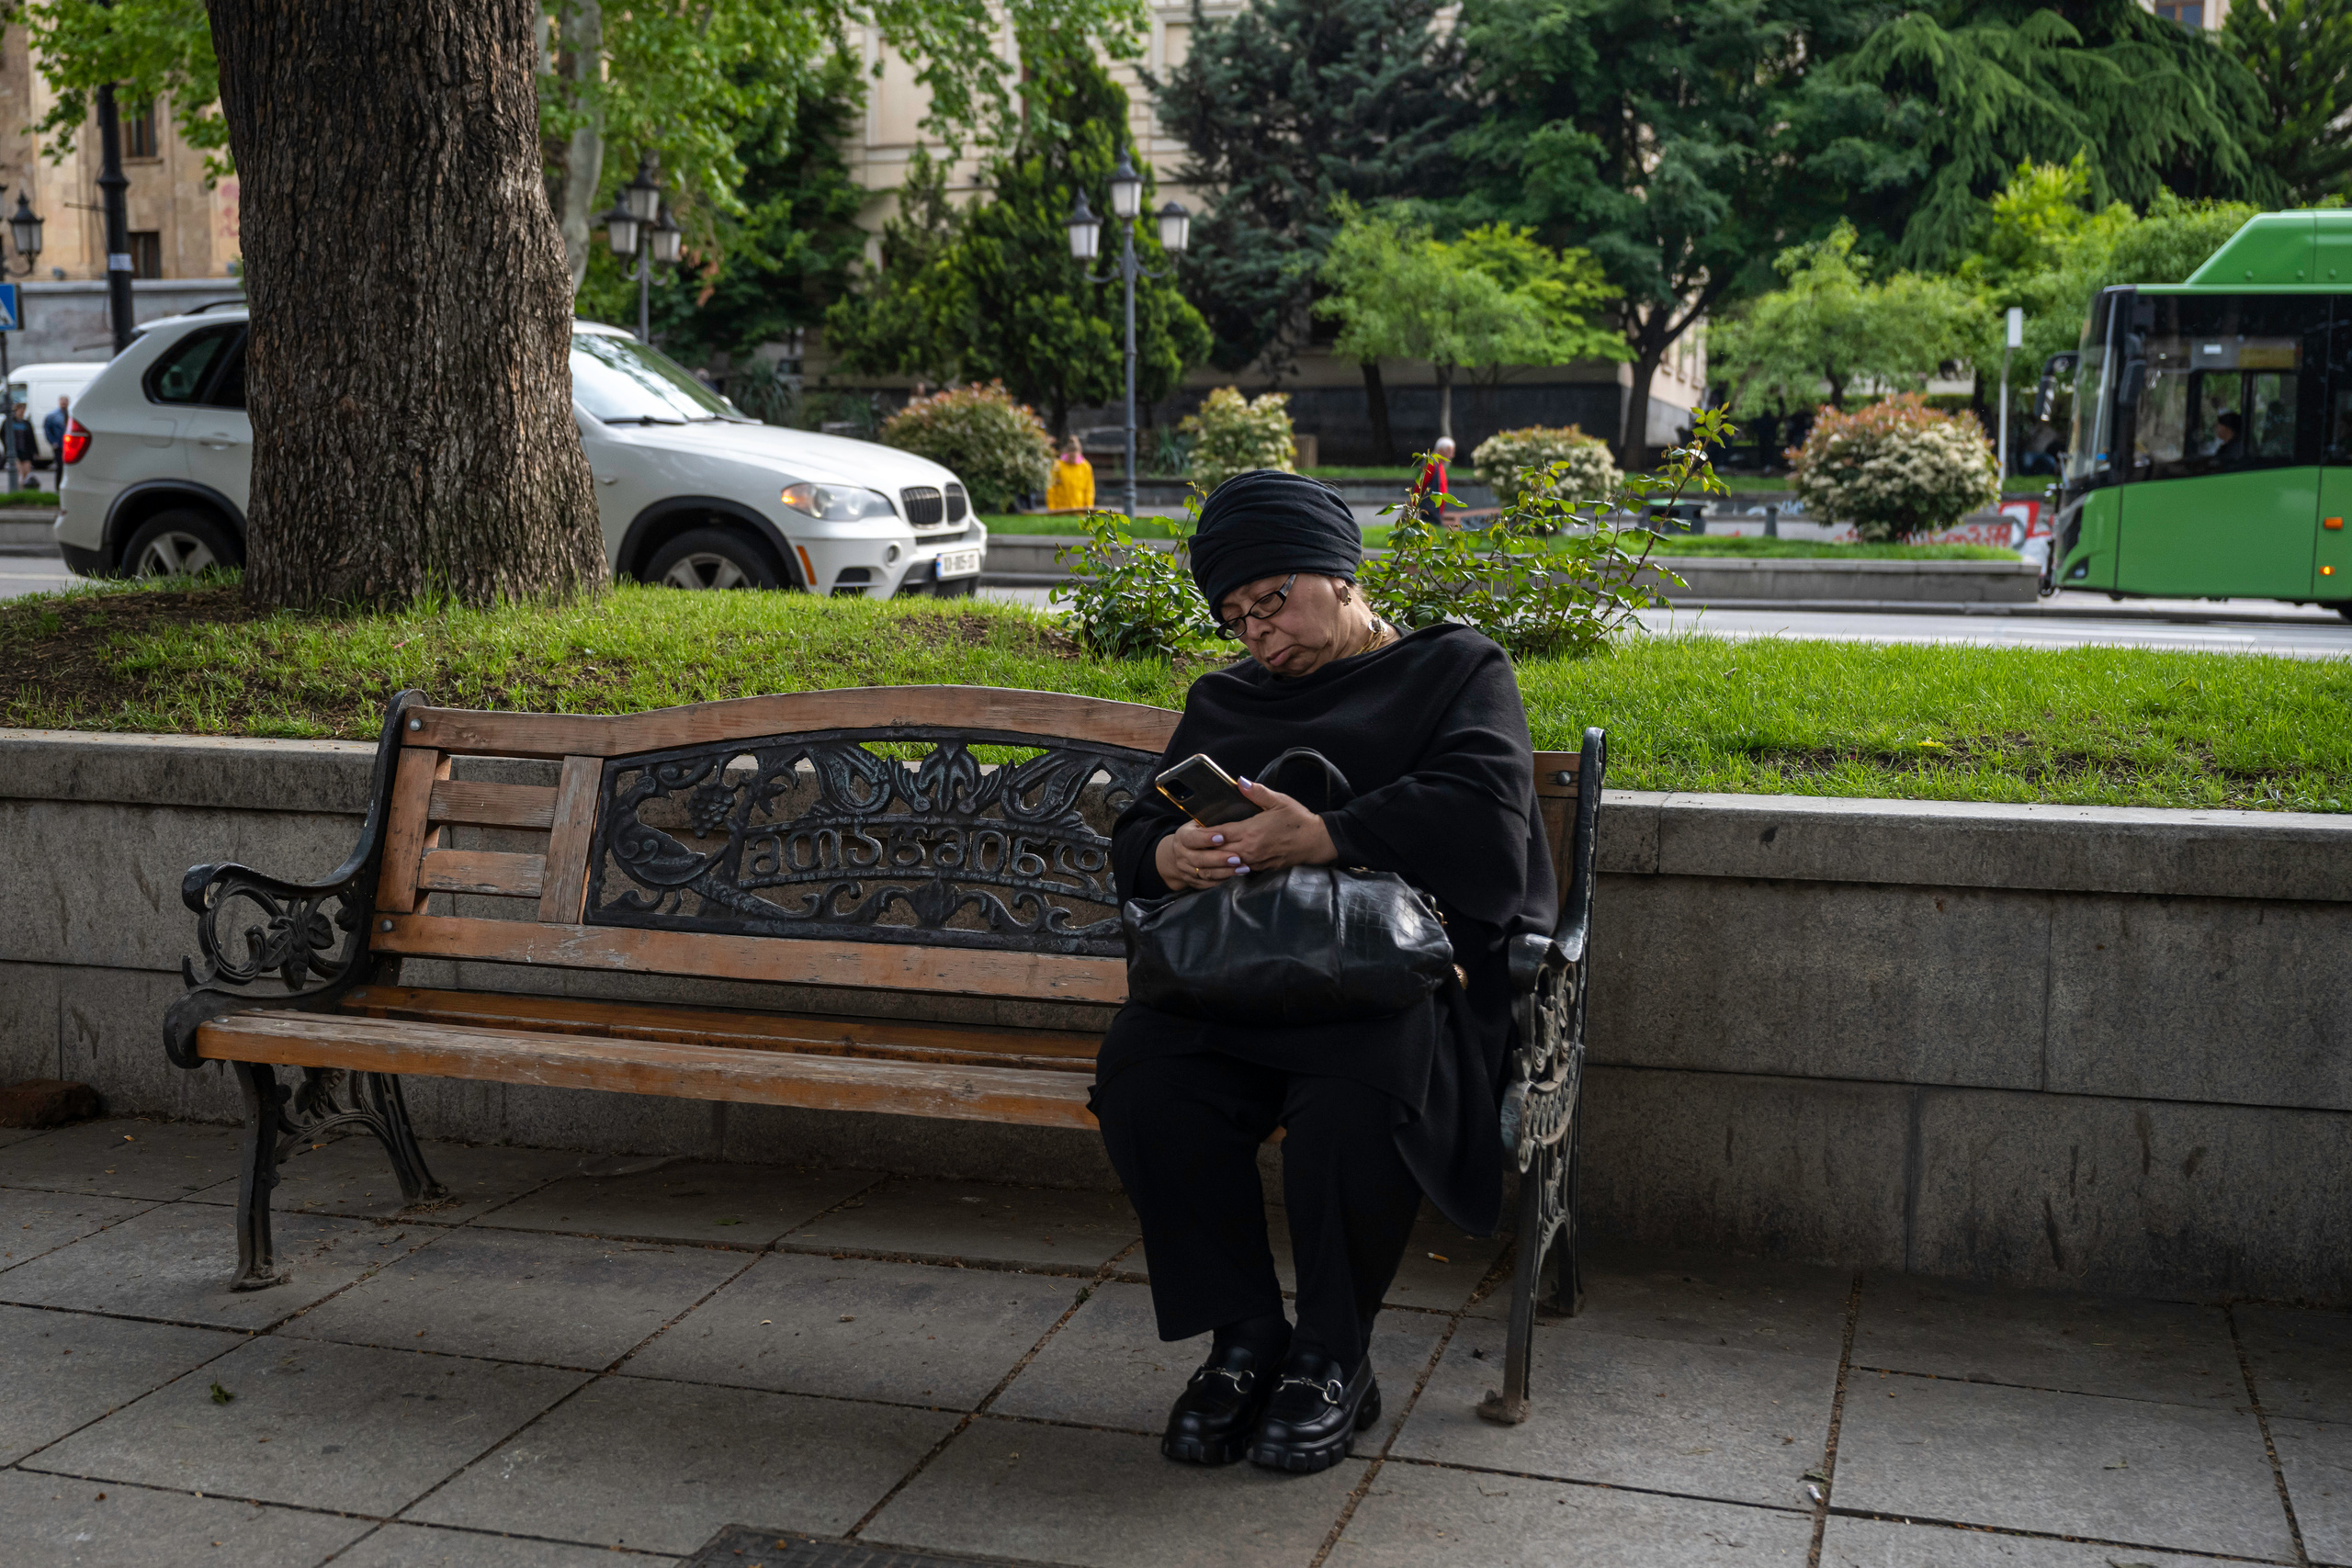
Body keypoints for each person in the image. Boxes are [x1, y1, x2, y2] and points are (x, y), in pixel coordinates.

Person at [1092, 468, 1555, 1475]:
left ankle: (1333, 1354)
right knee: (1145, 1077)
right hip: (1242, 978)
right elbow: (1138, 830)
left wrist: (1327, 834)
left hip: (1393, 980)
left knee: (1353, 1096)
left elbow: (1485, 820)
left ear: (1341, 577)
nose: (1259, 633)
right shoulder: (1226, 696)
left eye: (1273, 601)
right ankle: (1246, 1337)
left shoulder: (1455, 668)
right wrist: (1166, 857)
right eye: (1235, 615)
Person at [1046, 434, 1094, 512]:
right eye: (1071, 457)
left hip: (1079, 508)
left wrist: (1089, 507)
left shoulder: (1086, 467)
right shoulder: (1058, 466)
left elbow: (1089, 489)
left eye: (1075, 457)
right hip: (1060, 509)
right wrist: (1051, 508)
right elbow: (1051, 488)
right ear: (1067, 453)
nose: (1073, 460)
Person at [1417, 436, 1455, 525]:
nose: (1452, 455)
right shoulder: (1431, 464)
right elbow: (1419, 486)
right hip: (1429, 510)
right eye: (1450, 452)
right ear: (1441, 450)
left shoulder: (1439, 465)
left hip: (1435, 511)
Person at [42, 396, 67, 477]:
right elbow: (47, 430)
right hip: (59, 445)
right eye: (62, 400)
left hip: (68, 445)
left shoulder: (70, 414)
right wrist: (53, 442)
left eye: (65, 401)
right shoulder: (52, 416)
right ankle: (58, 486)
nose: (64, 402)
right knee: (60, 466)